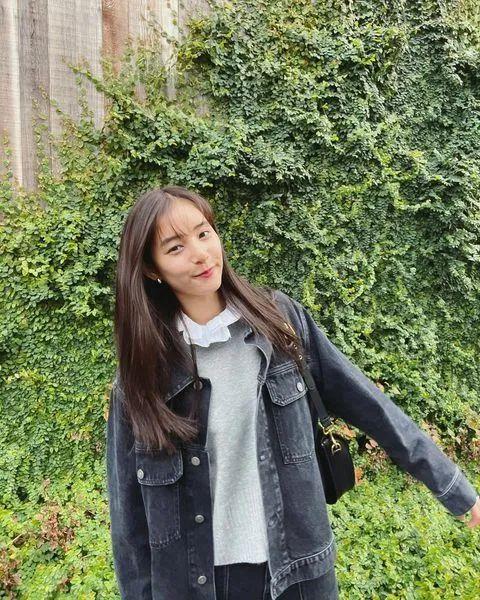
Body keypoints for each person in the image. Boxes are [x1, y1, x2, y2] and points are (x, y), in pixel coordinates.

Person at [106, 186, 480, 600]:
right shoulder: (142, 375)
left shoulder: (280, 322)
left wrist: (453, 487)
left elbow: (372, 407)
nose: (200, 253)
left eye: (204, 233)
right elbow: (129, 521)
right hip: (199, 584)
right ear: (152, 269)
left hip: (299, 573)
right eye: (175, 247)